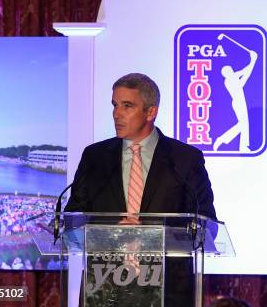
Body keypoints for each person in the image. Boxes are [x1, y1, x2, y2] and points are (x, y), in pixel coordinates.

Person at [65, 73, 216, 306]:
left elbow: (206, 227)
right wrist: (111, 235)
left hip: (168, 290)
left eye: (127, 106)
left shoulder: (184, 159)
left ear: (151, 112)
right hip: (104, 288)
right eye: (114, 105)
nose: (117, 113)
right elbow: (72, 221)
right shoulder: (95, 156)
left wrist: (151, 237)